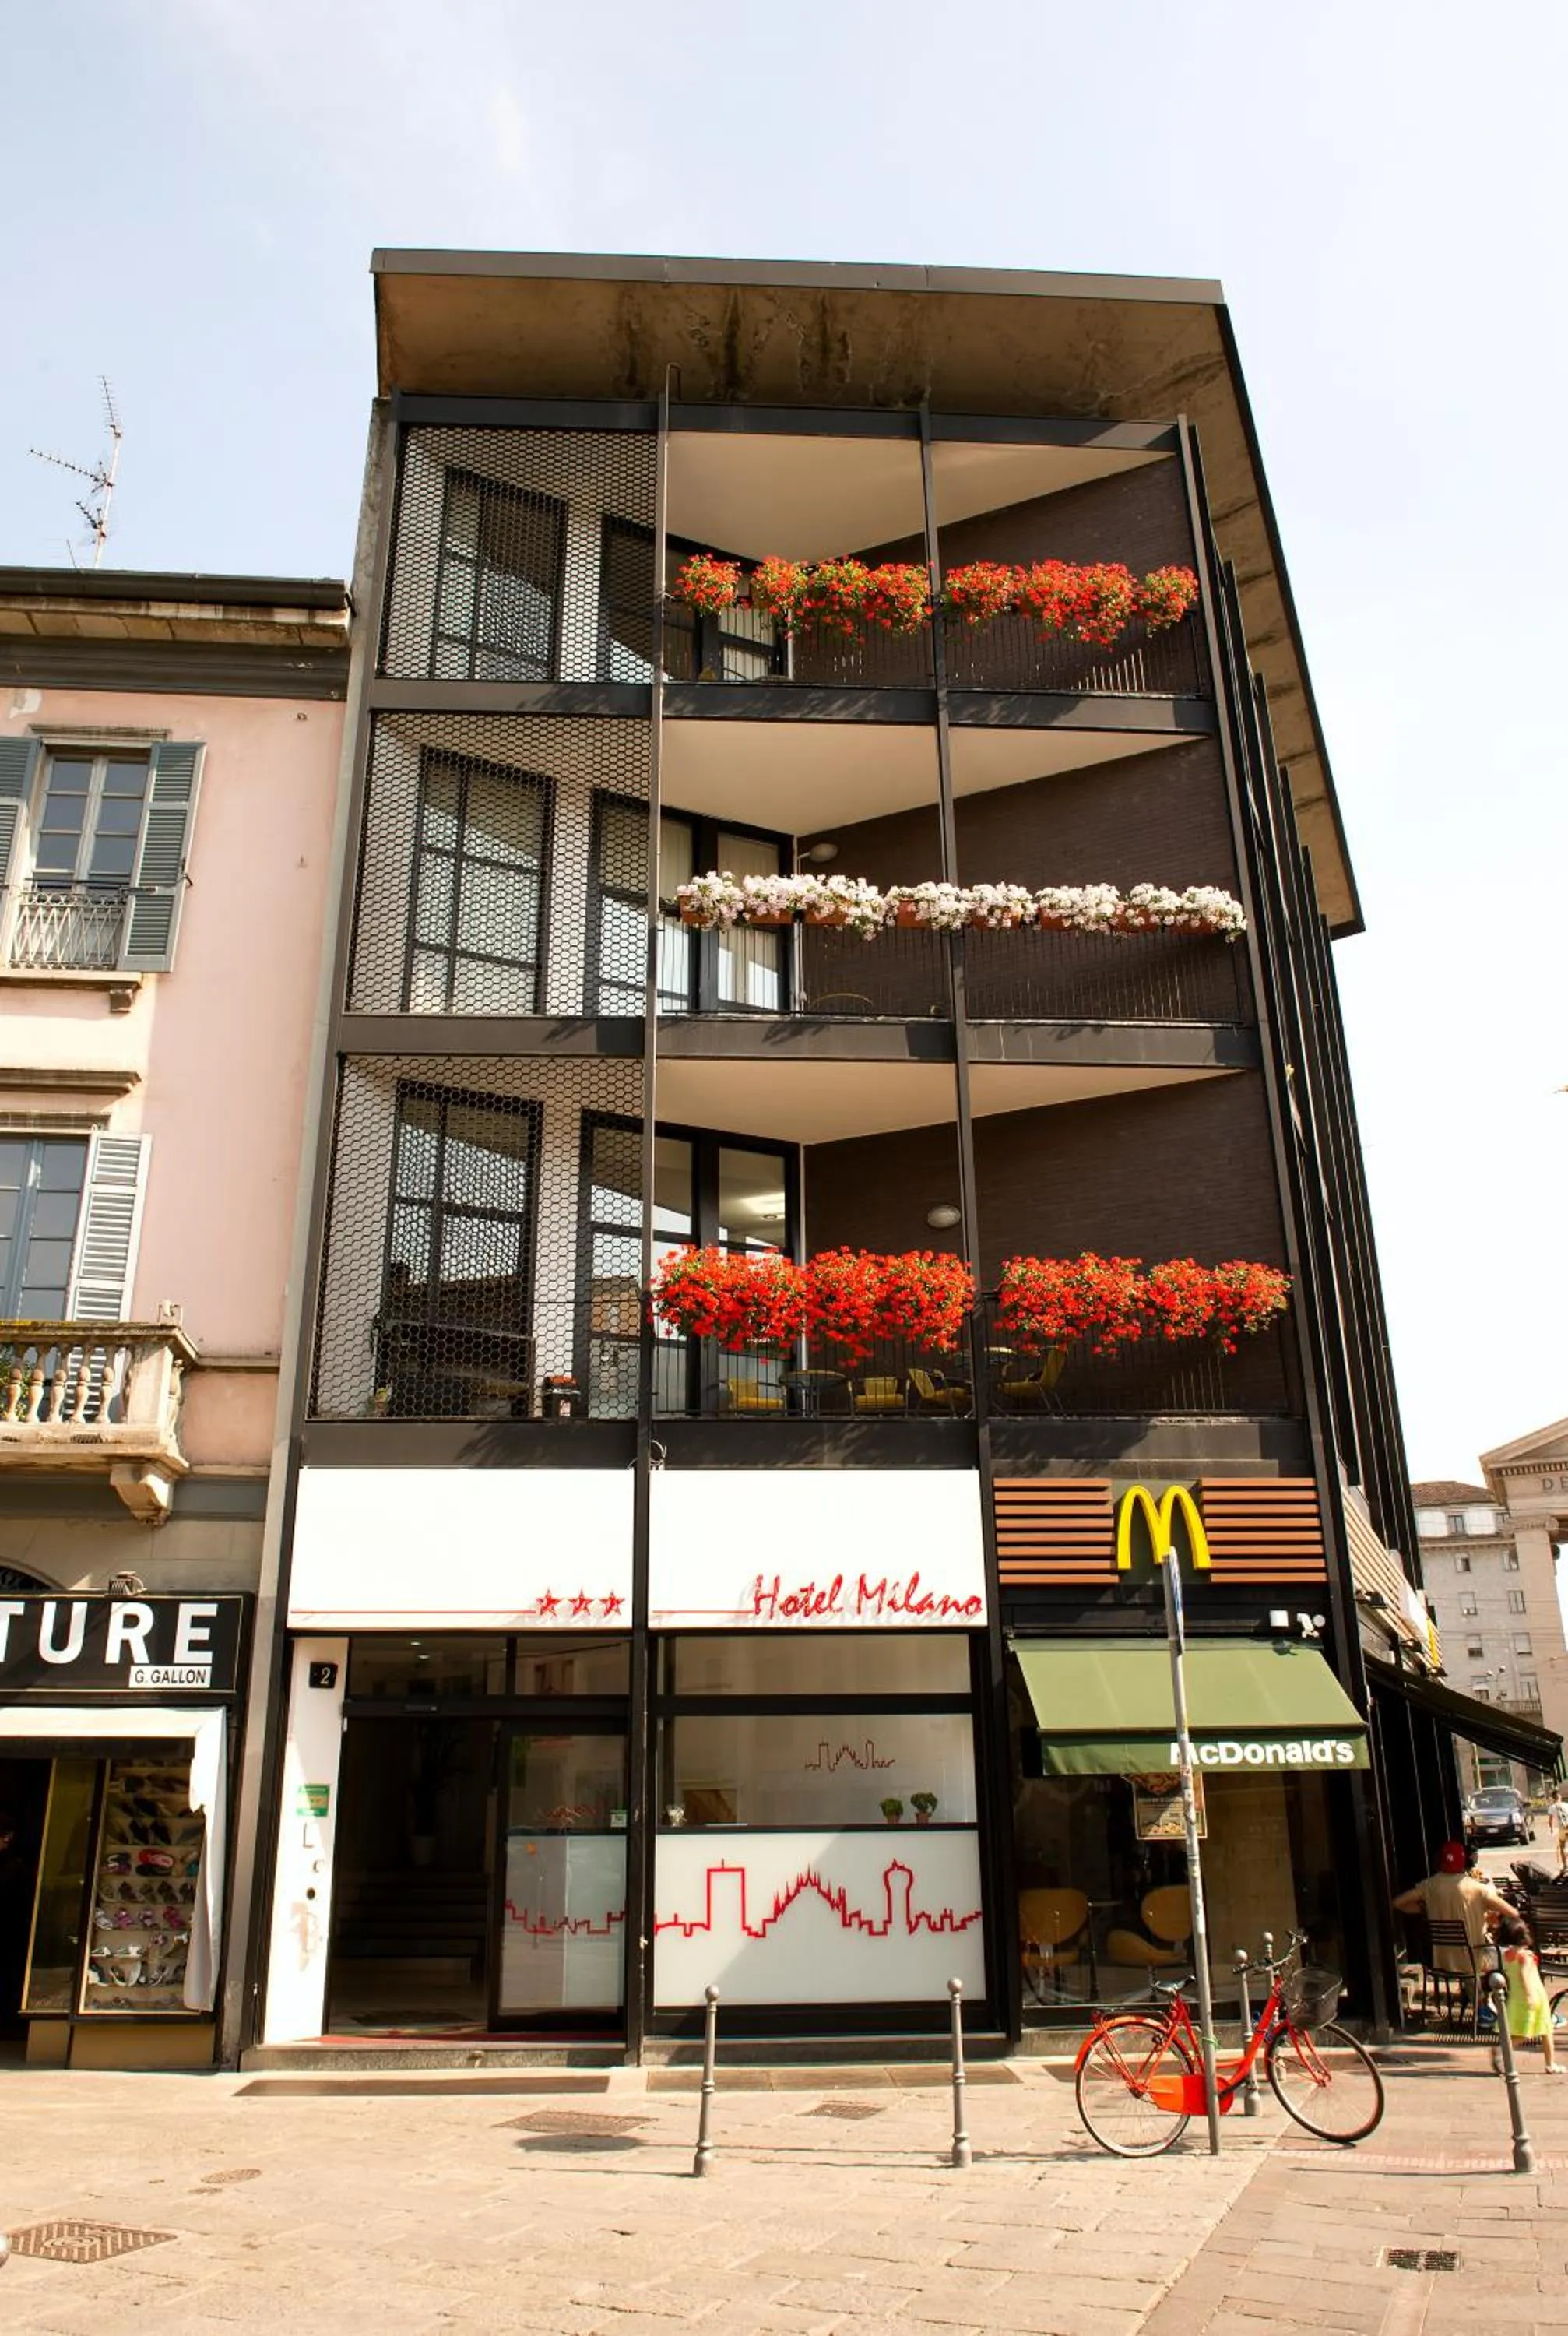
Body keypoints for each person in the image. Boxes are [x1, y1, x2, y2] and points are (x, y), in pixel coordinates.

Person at [1393, 1840, 1514, 1979]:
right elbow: (1511, 1913)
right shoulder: (1478, 1889)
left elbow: (1398, 1903)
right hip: (1475, 1962)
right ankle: (1486, 1997)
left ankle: (1477, 1996)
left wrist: (1425, 1909)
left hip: (1442, 1963)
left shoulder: (1428, 1886)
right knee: (1516, 1959)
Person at [1496, 1912, 1560, 2072]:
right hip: (1534, 1996)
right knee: (1531, 2032)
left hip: (1517, 1996)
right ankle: (1502, 2052)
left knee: (1544, 2029)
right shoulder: (1526, 1956)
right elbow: (1525, 1976)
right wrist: (1530, 1995)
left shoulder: (1507, 1956)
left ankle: (1550, 2063)